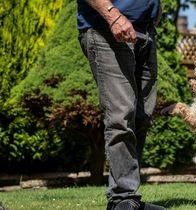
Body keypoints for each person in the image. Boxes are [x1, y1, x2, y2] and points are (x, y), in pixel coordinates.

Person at [76, 1, 165, 209]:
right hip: (108, 29)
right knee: (121, 116)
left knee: (141, 118)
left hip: (144, 31)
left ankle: (129, 198)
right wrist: (113, 15)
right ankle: (121, 198)